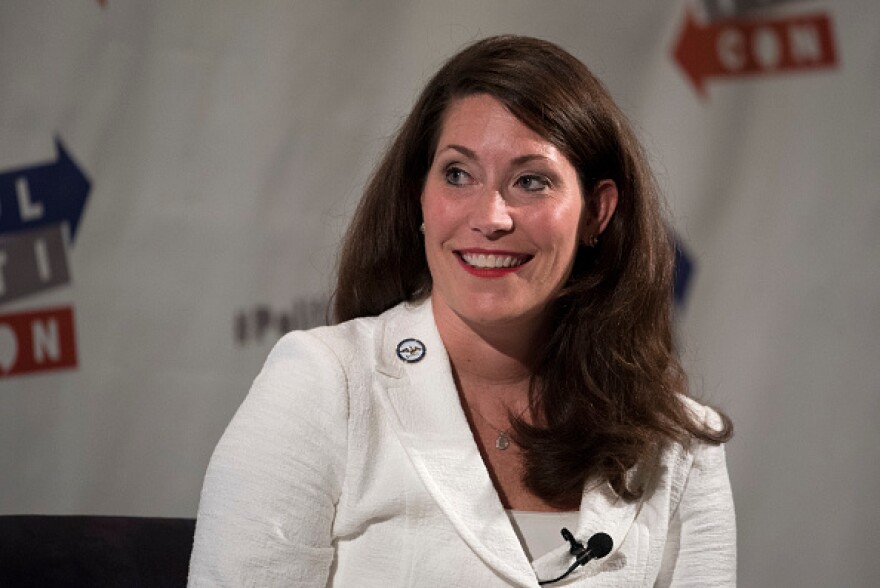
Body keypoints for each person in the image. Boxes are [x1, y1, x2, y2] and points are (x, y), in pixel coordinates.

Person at [188, 35, 735, 587]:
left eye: (531, 181)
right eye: (457, 174)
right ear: (419, 200)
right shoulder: (327, 383)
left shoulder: (679, 444)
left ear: (597, 212)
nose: (491, 216)